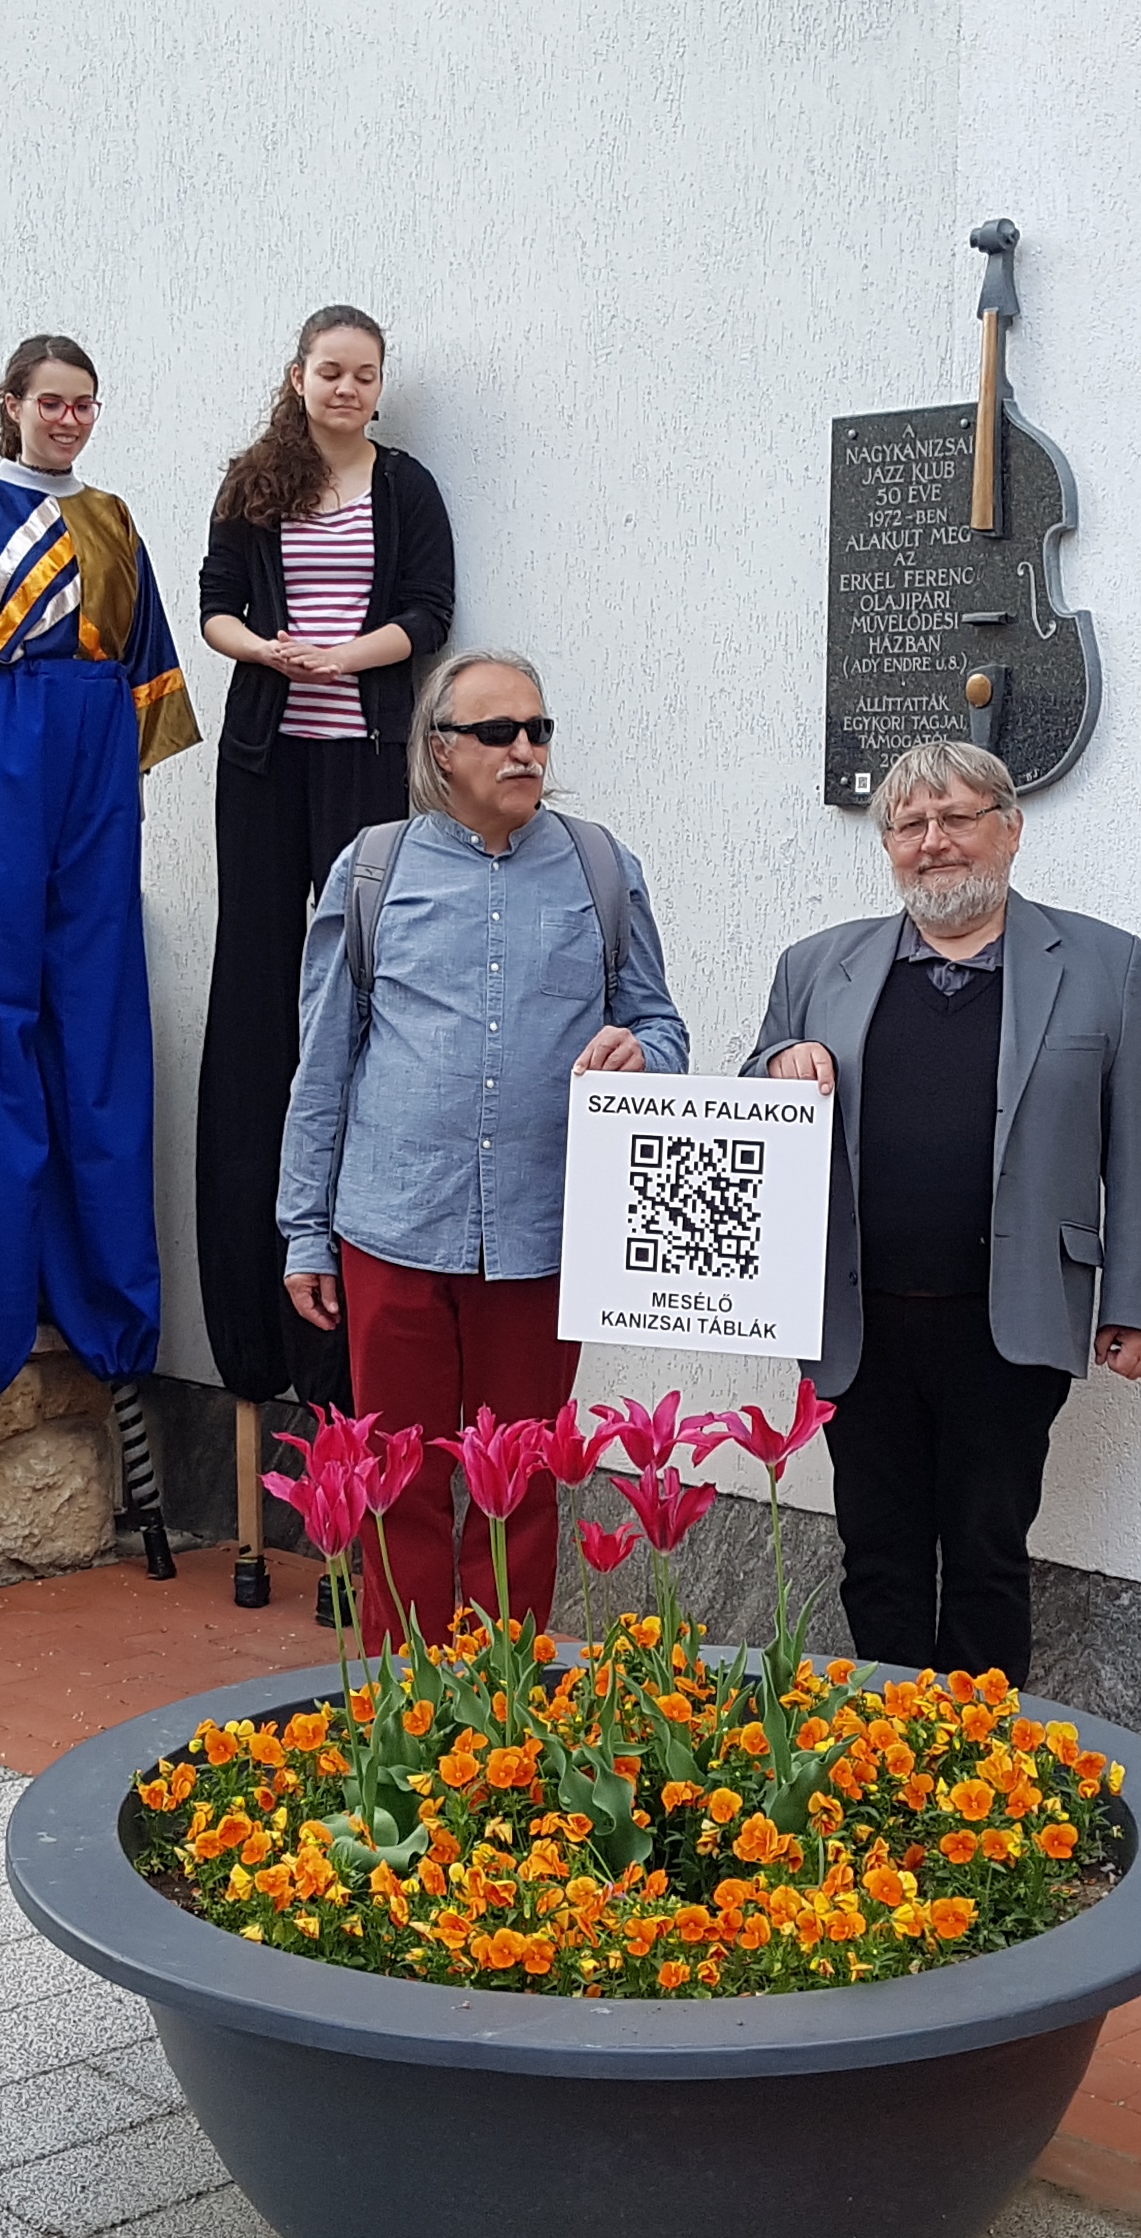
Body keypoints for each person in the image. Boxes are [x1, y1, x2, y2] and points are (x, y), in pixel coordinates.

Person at [0, 333, 204, 1617]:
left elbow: (148, 663)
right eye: (49, 402)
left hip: (92, 748)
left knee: (95, 1018)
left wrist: (115, 774)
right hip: (1, 735)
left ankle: (111, 1307)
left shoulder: (114, 520)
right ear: (9, 407)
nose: (68, 419)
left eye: (83, 403)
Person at [280, 650, 686, 1647]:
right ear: (440, 750)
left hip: (544, 1237)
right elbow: (321, 1063)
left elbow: (662, 1027)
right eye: (500, 732)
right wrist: (304, 1231)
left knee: (524, 1488)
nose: (526, 750)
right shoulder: (373, 871)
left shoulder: (601, 869)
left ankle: (506, 1706)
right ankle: (408, 1704)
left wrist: (643, 1052)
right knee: (399, 1483)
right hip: (394, 1229)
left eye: (539, 731)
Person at [748, 739, 1141, 1687]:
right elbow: (752, 1104)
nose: (933, 841)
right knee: (877, 1555)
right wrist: (778, 1064)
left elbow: (1139, 1142)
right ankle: (888, 1743)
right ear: (889, 846)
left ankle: (980, 1756)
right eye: (910, 824)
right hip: (857, 1321)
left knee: (988, 1556)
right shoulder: (815, 966)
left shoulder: (1103, 963)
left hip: (1010, 1321)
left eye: (957, 818)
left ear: (1010, 831)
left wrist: (1136, 1303)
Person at [194, 305, 455, 1421]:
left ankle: (350, 1269)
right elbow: (214, 609)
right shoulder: (254, 482)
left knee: (356, 983)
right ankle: (252, 1306)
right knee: (258, 988)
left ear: (380, 386)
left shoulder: (407, 488)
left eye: (364, 374)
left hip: (366, 758)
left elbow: (428, 614)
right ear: (298, 376)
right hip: (265, 761)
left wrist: (344, 658)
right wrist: (268, 650)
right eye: (330, 371)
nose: (346, 389)